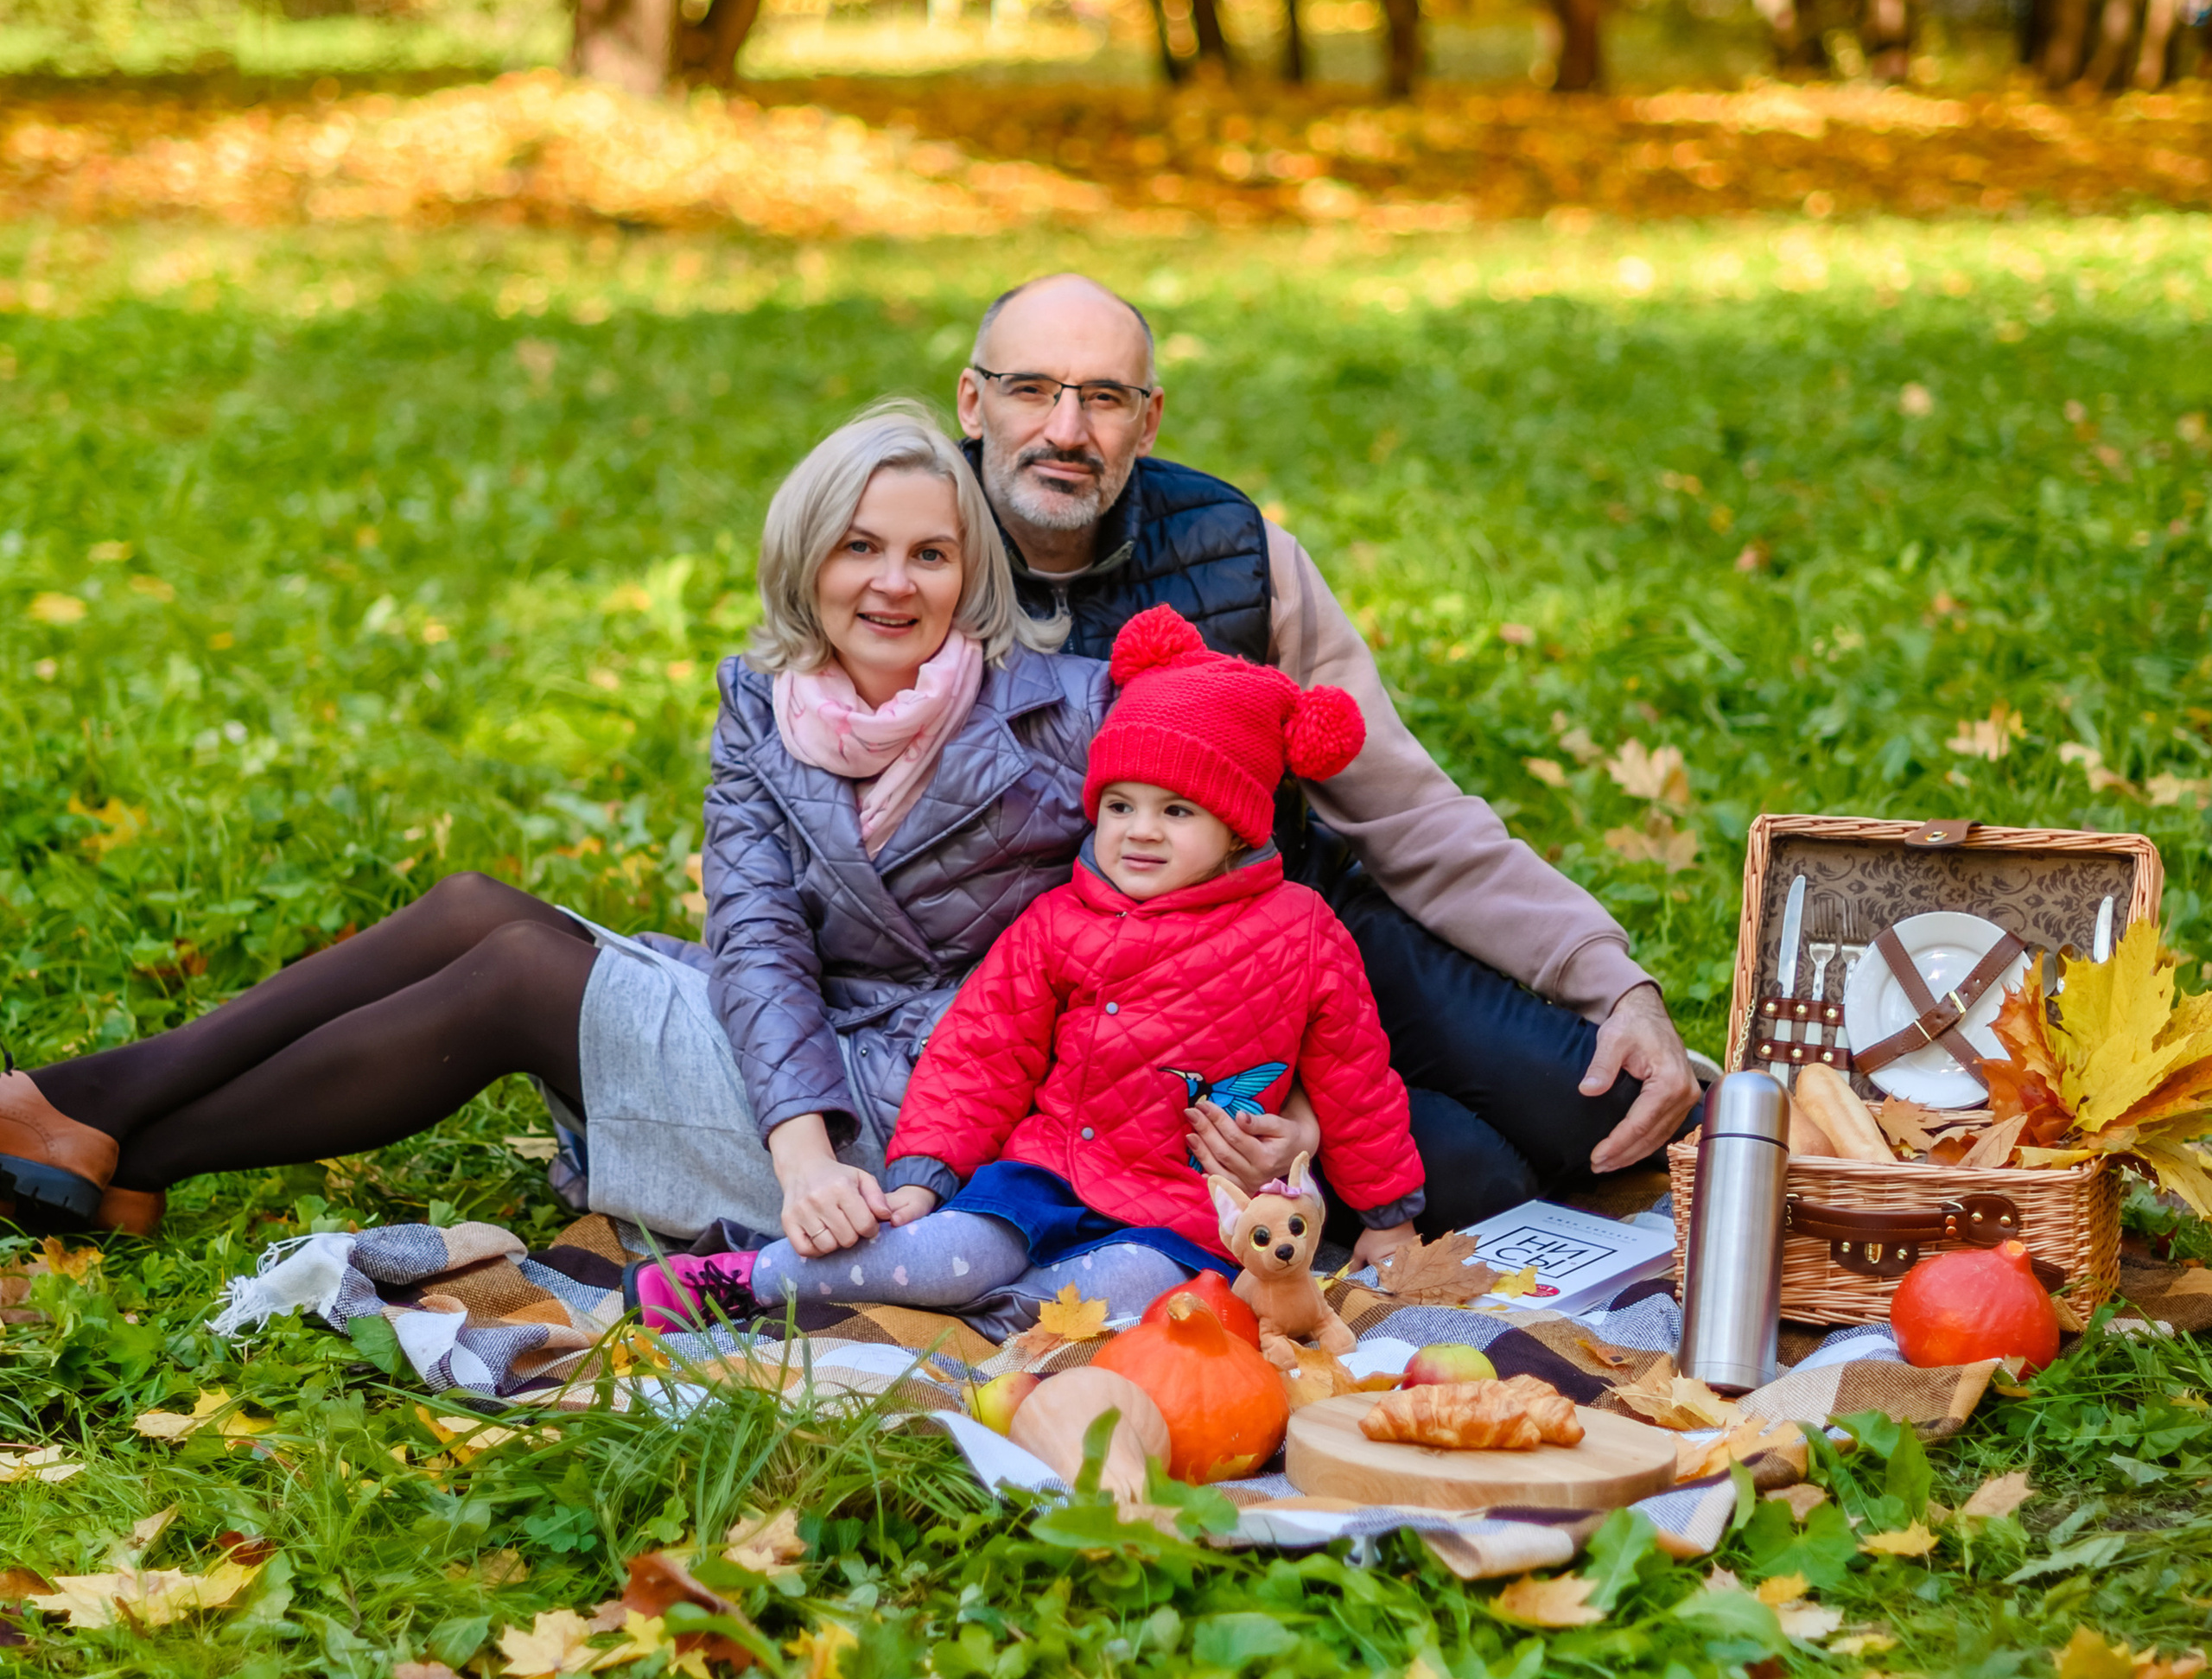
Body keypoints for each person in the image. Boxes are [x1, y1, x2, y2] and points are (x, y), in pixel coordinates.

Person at [0, 408, 1109, 1250]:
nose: (892, 584)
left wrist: (813, 1167)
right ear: (805, 556)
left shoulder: (1062, 710)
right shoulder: (765, 704)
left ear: (969, 576)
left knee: (521, 975)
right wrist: (798, 1144)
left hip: (912, 1112)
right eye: (858, 547)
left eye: (929, 554)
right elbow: (758, 935)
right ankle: (104, 1126)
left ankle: (121, 1135)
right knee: (476, 903)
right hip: (798, 1075)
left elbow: (1226, 781)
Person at [951, 273, 1703, 1234]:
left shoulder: (1236, 552)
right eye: (1030, 388)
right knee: (1477, 1180)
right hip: (1132, 1014)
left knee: (1597, 1103)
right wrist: (1300, 1112)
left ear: (1148, 423)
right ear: (972, 401)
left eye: (1104, 397)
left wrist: (1616, 980)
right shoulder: (909, 555)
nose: (1066, 428)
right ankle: (1343, 1156)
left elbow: (1403, 805)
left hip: (1298, 927)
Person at [632, 604, 1424, 1341]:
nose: (1140, 832)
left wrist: (1388, 1219)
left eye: (1176, 812)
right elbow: (980, 1054)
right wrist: (924, 1176)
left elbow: (1356, 1077)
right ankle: (747, 1279)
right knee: (951, 1253)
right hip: (1046, 1175)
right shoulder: (1060, 921)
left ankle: (974, 1329)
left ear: (1237, 828)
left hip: (1185, 1216)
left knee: (1119, 1302)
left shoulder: (1300, 930)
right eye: (1120, 806)